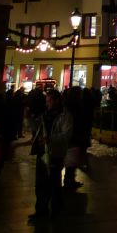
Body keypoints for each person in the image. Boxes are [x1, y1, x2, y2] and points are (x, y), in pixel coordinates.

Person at [28, 88, 73, 224]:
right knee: (41, 183)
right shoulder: (45, 114)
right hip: (43, 152)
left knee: (52, 182)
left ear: (57, 100)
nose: (47, 103)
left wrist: (50, 139)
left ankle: (55, 209)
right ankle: (42, 210)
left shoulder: (65, 116)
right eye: (46, 100)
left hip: (55, 153)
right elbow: (36, 128)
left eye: (49, 100)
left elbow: (66, 135)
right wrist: (28, 119)